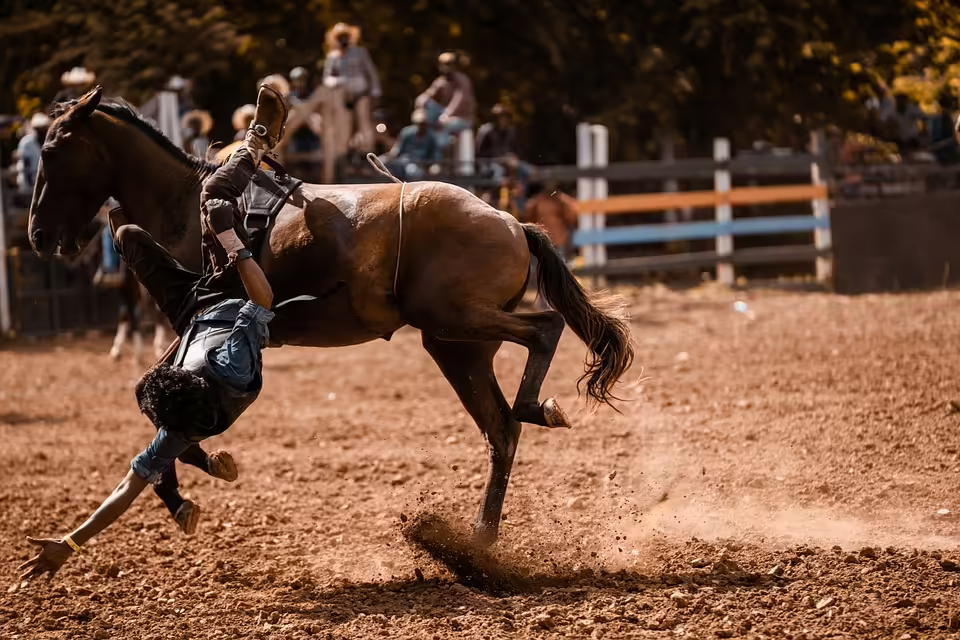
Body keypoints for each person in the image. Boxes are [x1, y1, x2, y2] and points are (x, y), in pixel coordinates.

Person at [18, 85, 290, 581]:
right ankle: (259, 139)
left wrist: (71, 542)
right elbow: (262, 300)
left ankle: (116, 191)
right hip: (222, 296)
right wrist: (232, 242)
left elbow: (125, 490)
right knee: (214, 195)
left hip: (191, 311)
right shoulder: (228, 365)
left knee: (127, 235)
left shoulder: (179, 412)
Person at [322, 23, 381, 151]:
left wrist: (375, 91)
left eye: (345, 36)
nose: (343, 39)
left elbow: (370, 72)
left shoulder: (360, 52)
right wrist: (338, 82)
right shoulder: (333, 57)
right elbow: (327, 78)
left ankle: (367, 152)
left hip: (361, 93)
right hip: (343, 96)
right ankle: (344, 152)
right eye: (340, 37)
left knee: (364, 121)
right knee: (344, 124)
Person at [476, 104, 532, 208]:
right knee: (499, 174)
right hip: (491, 163)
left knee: (527, 171)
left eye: (505, 117)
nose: (503, 120)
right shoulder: (486, 131)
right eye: (501, 117)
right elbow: (480, 154)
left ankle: (520, 201)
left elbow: (516, 150)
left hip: (509, 162)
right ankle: (496, 201)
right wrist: (501, 159)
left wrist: (514, 157)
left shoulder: (510, 132)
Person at [415, 52, 475, 147]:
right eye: (442, 64)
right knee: (429, 106)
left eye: (448, 64)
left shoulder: (462, 80)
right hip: (443, 117)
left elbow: (459, 100)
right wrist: (420, 104)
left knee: (443, 126)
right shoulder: (441, 81)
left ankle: (441, 153)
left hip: (462, 119)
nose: (445, 67)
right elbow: (427, 96)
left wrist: (447, 115)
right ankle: (424, 144)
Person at [381, 108, 442, 181]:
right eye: (419, 123)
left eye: (424, 124)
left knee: (413, 172)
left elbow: (436, 153)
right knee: (385, 164)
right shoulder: (407, 132)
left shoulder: (431, 136)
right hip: (405, 161)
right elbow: (397, 149)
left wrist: (435, 164)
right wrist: (387, 157)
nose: (422, 126)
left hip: (421, 163)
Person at [16, 112, 48, 196]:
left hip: (46, 185)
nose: (41, 131)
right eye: (39, 129)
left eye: (44, 128)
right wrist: (31, 186)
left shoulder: (49, 143)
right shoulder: (26, 143)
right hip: (29, 186)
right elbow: (25, 166)